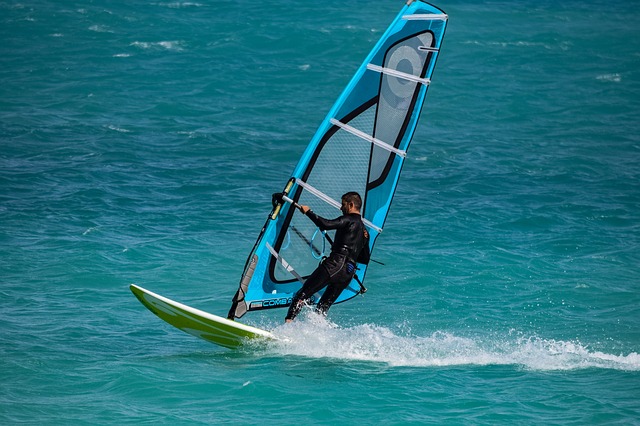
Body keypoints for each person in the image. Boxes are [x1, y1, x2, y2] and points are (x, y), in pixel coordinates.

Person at [285, 191, 370, 322]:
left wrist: (308, 212)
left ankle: (288, 326)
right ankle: (318, 335)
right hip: (348, 272)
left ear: (351, 204)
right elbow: (364, 258)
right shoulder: (365, 232)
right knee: (322, 307)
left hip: (335, 264)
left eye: (343, 205)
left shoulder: (349, 219)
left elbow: (326, 224)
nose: (341, 208)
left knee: (302, 294)